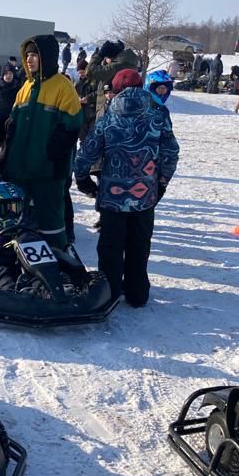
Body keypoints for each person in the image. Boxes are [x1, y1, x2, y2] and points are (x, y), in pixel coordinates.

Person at [74, 69, 179, 307]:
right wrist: (160, 184)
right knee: (139, 245)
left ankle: (109, 293)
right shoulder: (158, 115)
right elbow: (171, 153)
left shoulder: (108, 118)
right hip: (145, 195)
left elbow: (85, 155)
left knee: (111, 246)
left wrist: (83, 181)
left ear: (115, 90)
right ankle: (137, 292)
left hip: (113, 196)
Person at [0, 35, 82, 251]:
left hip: (47, 172)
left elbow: (71, 126)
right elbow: (12, 124)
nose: (29, 60)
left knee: (51, 226)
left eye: (34, 55)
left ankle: (59, 267)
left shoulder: (63, 86)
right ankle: (20, 268)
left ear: (48, 56)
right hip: (19, 172)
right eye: (27, 56)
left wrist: (51, 155)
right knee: (18, 225)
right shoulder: (26, 86)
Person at [86, 40, 139, 120]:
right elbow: (107, 83)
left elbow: (90, 71)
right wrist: (107, 91)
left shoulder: (116, 66)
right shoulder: (129, 63)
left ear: (110, 57)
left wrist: (100, 54)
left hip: (110, 112)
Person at [74, 64, 97, 143]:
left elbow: (100, 93)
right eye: (79, 73)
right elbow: (73, 95)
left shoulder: (94, 81)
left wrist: (88, 98)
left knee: (92, 137)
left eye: (83, 72)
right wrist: (77, 99)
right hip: (82, 114)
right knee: (82, 137)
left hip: (93, 113)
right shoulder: (77, 84)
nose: (81, 74)